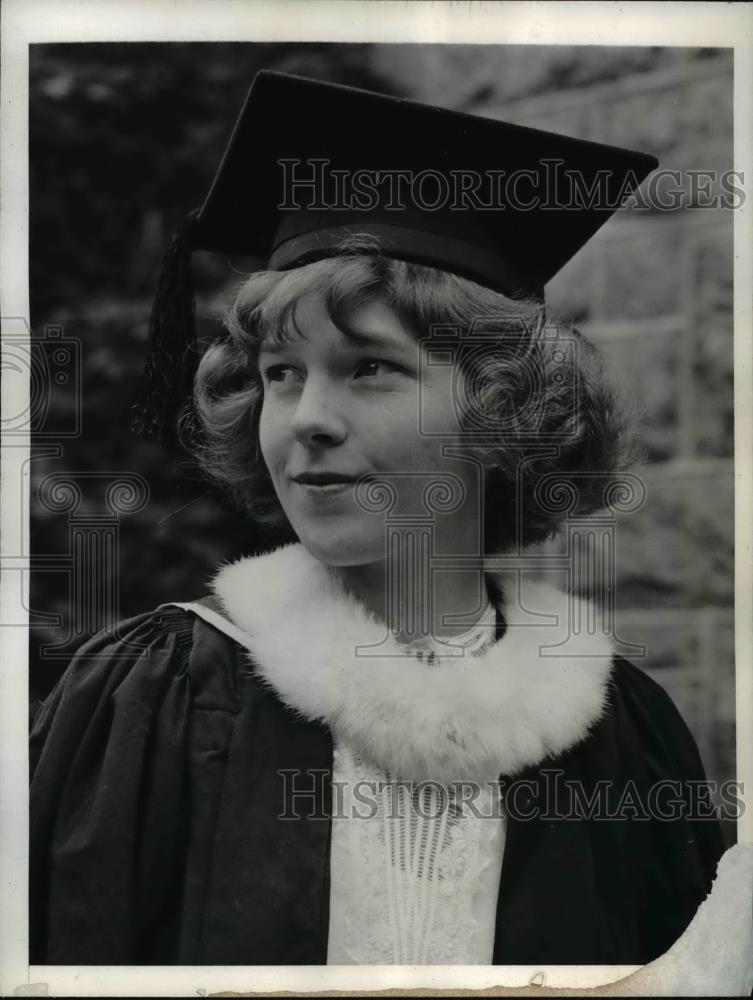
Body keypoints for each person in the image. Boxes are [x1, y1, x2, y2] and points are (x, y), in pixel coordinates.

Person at [30, 70, 727, 967]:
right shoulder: (154, 695)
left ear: (503, 410)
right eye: (281, 374)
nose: (307, 419)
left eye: (369, 368)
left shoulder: (622, 736)